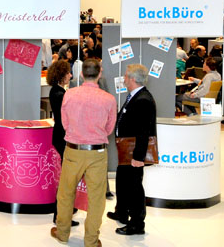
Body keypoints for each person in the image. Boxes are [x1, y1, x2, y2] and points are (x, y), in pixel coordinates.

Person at [51, 59, 116, 247]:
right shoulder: (109, 99)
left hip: (73, 150)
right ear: (99, 74)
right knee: (96, 198)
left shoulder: (69, 95)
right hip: (97, 152)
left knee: (66, 193)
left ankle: (62, 233)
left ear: (81, 74)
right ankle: (91, 240)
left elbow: (64, 123)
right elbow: (109, 128)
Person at [108, 64, 156, 236]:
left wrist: (138, 157)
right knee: (122, 181)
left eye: (126, 76)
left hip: (133, 152)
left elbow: (143, 132)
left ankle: (137, 223)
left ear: (133, 79)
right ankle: (122, 212)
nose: (124, 79)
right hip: (125, 150)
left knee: (134, 187)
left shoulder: (143, 100)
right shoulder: (135, 96)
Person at [45, 60, 78, 227]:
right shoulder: (60, 94)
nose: (70, 75)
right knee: (67, 179)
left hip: (60, 137)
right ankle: (60, 214)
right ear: (61, 75)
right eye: (68, 73)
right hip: (63, 138)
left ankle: (64, 211)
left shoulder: (57, 91)